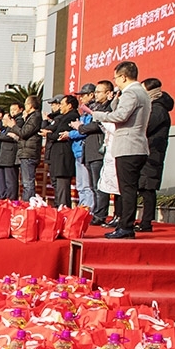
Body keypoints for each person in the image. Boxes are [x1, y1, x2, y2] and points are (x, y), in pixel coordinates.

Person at [89, 60, 152, 239]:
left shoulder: (131, 93)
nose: (115, 82)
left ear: (123, 77)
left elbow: (121, 116)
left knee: (127, 189)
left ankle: (126, 227)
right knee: (128, 188)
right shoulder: (141, 93)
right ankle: (125, 226)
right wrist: (116, 99)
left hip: (128, 147)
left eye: (116, 78)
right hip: (137, 146)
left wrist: (97, 115)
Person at [68, 83, 110, 224]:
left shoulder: (101, 109)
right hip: (88, 151)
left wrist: (80, 127)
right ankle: (93, 212)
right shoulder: (88, 111)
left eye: (83, 95)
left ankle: (98, 214)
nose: (81, 99)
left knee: (97, 186)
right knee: (90, 186)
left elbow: (95, 126)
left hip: (97, 150)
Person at [139, 77, 174, 232]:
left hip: (153, 152)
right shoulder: (152, 106)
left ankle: (146, 222)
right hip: (147, 150)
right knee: (143, 186)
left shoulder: (158, 109)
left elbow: (146, 127)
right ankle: (144, 221)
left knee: (148, 187)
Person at [46, 95, 80, 208]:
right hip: (58, 154)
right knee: (58, 184)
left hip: (64, 154)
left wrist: (49, 135)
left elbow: (59, 134)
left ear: (69, 105)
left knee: (62, 185)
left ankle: (64, 209)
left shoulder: (71, 116)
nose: (60, 106)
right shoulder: (63, 117)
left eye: (62, 104)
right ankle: (59, 207)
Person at [17, 95, 43, 201]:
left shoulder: (35, 117)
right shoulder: (30, 117)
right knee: (26, 182)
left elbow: (24, 133)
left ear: (30, 105)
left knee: (28, 182)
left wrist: (13, 126)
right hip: (26, 151)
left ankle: (28, 202)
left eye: (26, 104)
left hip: (29, 152)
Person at [0, 108, 22, 200]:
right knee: (3, 179)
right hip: (3, 156)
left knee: (10, 180)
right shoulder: (5, 128)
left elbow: (10, 137)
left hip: (10, 155)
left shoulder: (15, 125)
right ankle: (4, 196)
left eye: (5, 119)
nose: (3, 121)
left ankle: (11, 198)